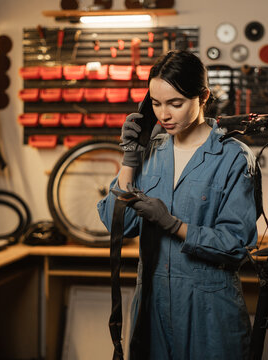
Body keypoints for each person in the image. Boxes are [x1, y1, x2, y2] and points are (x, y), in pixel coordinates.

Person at [97, 50, 258, 360]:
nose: (163, 115)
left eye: (175, 103)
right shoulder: (150, 153)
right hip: (153, 306)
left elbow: (237, 245)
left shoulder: (234, 158)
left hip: (209, 309)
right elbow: (116, 223)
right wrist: (130, 158)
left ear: (203, 97)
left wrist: (173, 225)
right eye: (156, 103)